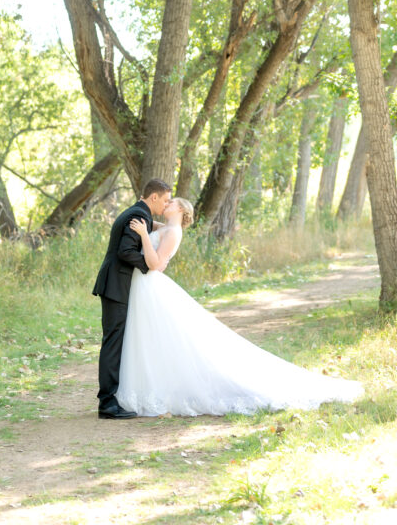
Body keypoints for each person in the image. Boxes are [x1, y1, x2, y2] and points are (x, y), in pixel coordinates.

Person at [116, 197, 364, 417]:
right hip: (145, 287)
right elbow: (158, 230)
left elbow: (157, 263)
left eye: (171, 202)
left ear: (180, 208)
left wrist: (142, 238)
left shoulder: (173, 232)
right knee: (152, 337)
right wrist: (146, 227)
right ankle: (150, 385)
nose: (166, 204)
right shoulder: (168, 227)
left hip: (152, 281)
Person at [92, 178, 172, 419]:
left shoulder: (138, 213)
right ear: (153, 197)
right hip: (116, 285)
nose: (166, 205)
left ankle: (111, 398)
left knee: (115, 340)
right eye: (165, 200)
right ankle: (107, 403)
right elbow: (125, 251)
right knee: (113, 342)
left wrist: (160, 228)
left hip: (115, 283)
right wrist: (151, 266)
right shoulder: (139, 216)